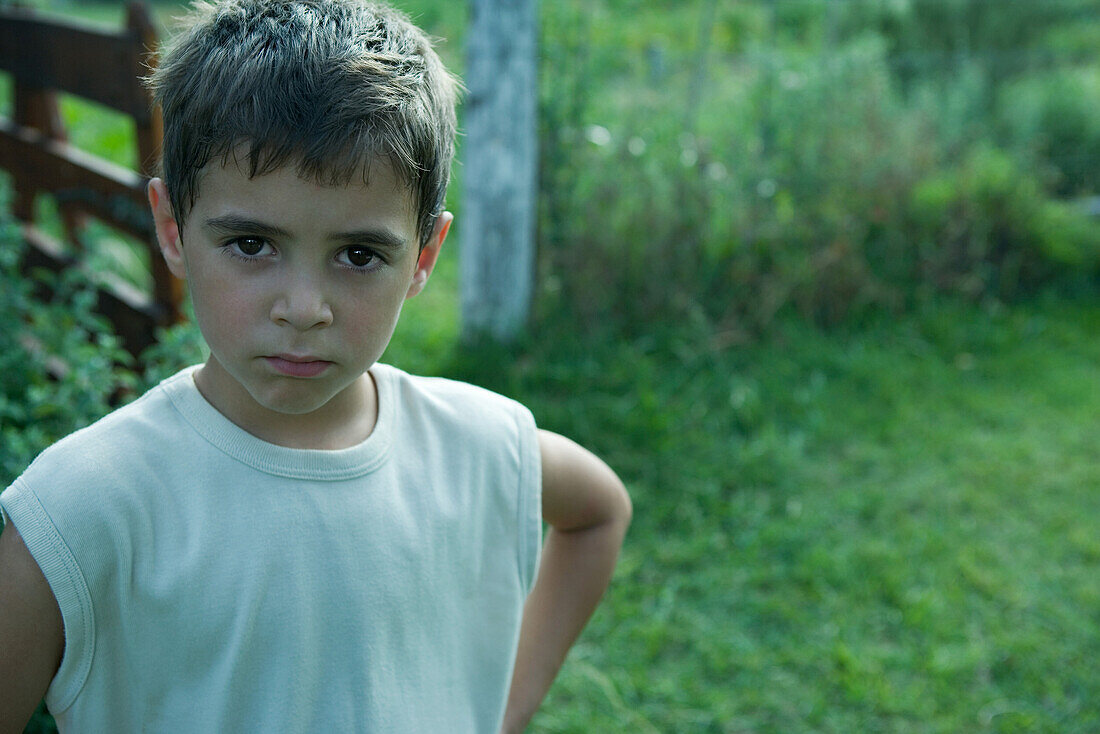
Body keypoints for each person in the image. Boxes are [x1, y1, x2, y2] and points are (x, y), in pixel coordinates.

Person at [0, 1, 632, 731]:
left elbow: (598, 512)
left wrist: (502, 709)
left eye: (358, 255)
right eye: (251, 244)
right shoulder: (80, 507)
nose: (304, 308)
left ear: (423, 256)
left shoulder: (480, 444)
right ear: (173, 228)